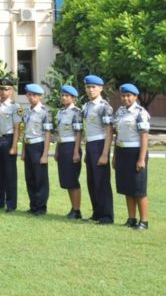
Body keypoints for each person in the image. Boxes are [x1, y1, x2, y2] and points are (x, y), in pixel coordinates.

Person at [112, 83, 150, 230]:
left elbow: (144, 137)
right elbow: (117, 135)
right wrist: (115, 156)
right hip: (122, 152)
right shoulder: (120, 112)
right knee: (127, 188)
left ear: (135, 96)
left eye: (128, 96)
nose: (125, 98)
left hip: (136, 153)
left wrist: (141, 159)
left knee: (139, 189)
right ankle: (131, 218)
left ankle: (144, 221)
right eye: (123, 95)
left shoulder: (140, 113)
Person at [81, 75, 114, 225]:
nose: (90, 89)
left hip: (101, 144)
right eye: (88, 87)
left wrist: (105, 154)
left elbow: (109, 131)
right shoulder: (87, 106)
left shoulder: (104, 107)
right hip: (90, 145)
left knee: (102, 182)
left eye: (93, 87)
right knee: (92, 182)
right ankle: (96, 212)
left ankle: (106, 216)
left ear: (101, 88)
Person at [20, 83, 52, 216]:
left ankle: (41, 207)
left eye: (34, 95)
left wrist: (45, 154)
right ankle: (33, 205)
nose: (31, 97)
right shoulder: (27, 111)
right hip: (28, 145)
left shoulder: (45, 112)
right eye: (29, 94)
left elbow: (48, 134)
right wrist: (22, 151)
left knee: (40, 178)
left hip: (38, 146)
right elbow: (24, 132)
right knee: (30, 177)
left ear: (40, 97)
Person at [0, 76, 21, 212]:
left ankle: (11, 204)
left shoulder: (15, 107)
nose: (3, 91)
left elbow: (17, 128)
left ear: (11, 90)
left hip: (8, 140)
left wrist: (14, 146)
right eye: (1, 89)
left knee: (10, 174)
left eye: (6, 89)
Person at [54, 85, 83, 219]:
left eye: (67, 96)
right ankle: (73, 208)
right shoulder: (60, 112)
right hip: (63, 146)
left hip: (72, 146)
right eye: (63, 95)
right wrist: (56, 150)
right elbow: (59, 133)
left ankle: (77, 210)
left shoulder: (76, 112)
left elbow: (78, 132)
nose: (64, 98)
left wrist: (76, 151)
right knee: (66, 180)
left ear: (73, 98)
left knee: (73, 179)